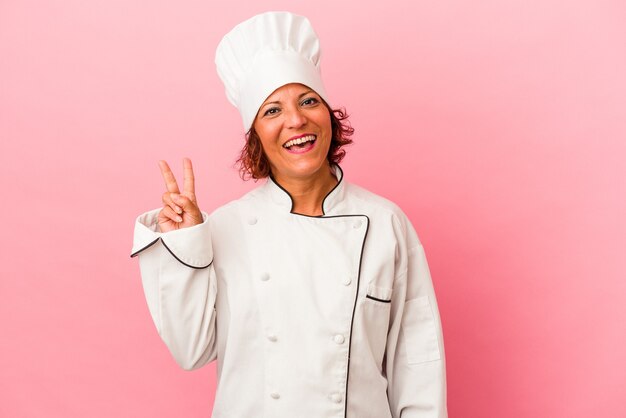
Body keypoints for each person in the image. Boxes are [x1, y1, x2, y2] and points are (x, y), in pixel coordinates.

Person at [131, 11, 447, 418]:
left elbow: (418, 364)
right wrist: (185, 241)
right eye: (272, 111)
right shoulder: (227, 228)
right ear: (256, 137)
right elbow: (190, 350)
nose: (296, 120)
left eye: (308, 101)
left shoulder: (386, 224)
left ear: (329, 116)